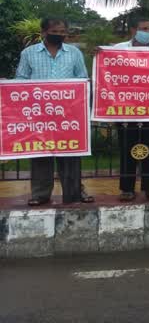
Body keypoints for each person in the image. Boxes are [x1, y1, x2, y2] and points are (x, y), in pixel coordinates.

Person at [16, 17, 94, 206]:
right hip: (39, 114)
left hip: (68, 113)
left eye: (62, 32)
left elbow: (82, 79)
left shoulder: (74, 53)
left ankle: (75, 192)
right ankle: (40, 194)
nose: (59, 35)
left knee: (70, 153)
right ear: (44, 32)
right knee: (41, 153)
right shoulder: (28, 53)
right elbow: (21, 79)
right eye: (55, 31)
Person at [112, 16, 149, 201]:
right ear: (133, 30)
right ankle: (126, 188)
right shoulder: (118, 50)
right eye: (144, 28)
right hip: (126, 111)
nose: (148, 32)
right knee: (127, 150)